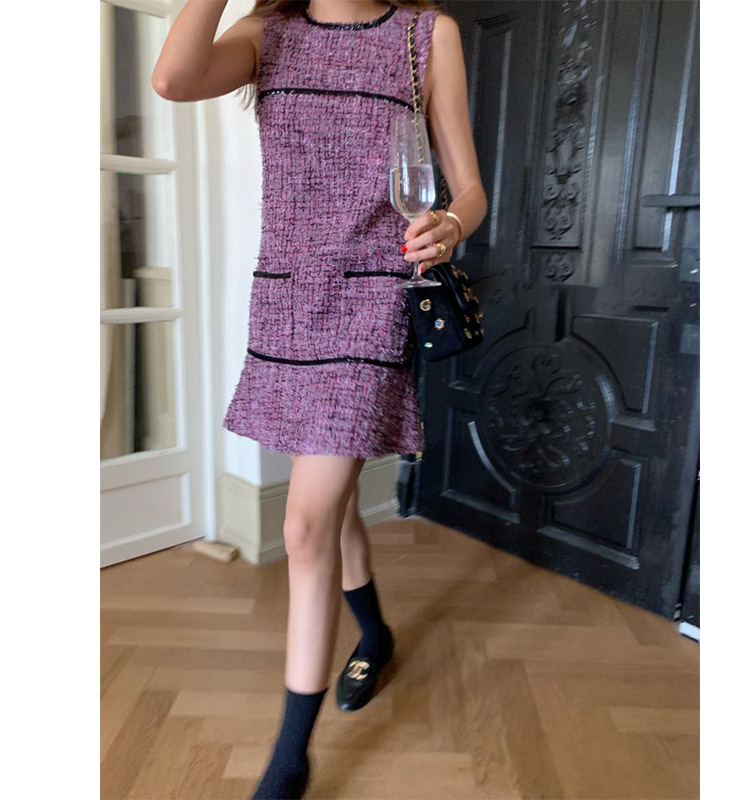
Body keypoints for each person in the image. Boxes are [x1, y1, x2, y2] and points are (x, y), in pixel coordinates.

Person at [152, 1, 487, 797]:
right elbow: (173, 78)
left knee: (304, 523)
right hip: (287, 300)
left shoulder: (426, 34)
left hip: (373, 302)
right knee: (329, 509)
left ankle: (288, 762)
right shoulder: (268, 35)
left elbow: (471, 188)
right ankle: (375, 632)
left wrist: (450, 223)